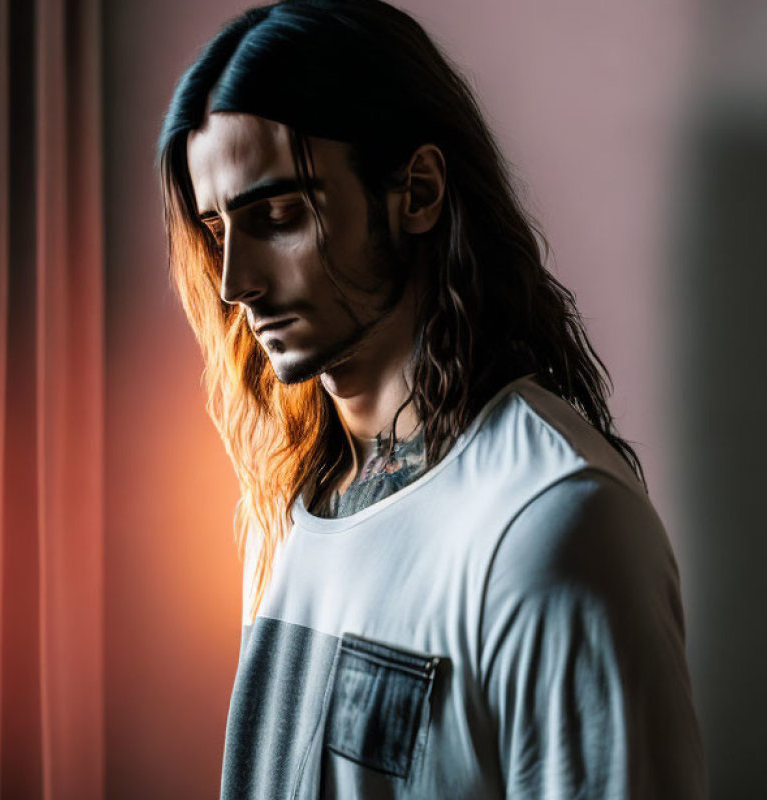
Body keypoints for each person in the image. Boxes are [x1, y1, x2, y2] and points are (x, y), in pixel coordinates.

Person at [158, 0, 706, 797]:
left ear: (415, 193)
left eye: (277, 216)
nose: (237, 281)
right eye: (216, 233)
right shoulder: (288, 505)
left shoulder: (553, 527)